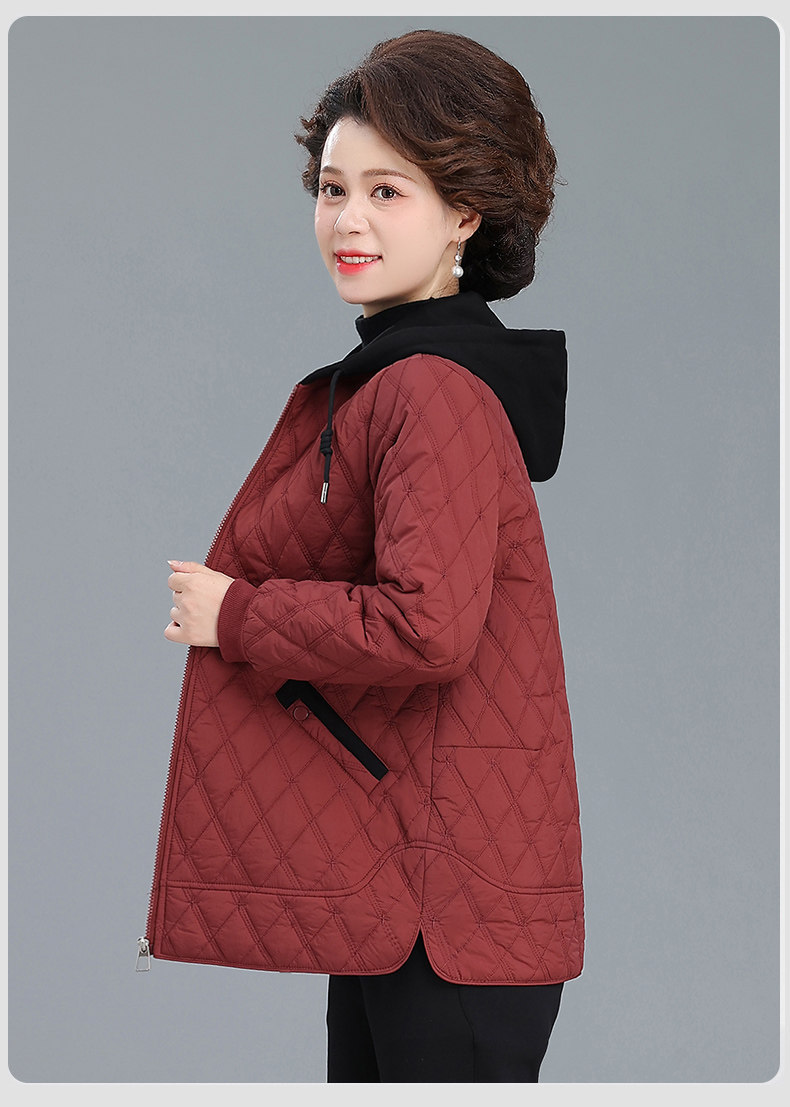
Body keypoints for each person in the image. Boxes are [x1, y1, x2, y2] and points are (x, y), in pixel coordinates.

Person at [142, 28, 584, 1083]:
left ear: (464, 214)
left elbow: (427, 627)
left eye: (388, 192)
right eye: (333, 189)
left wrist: (236, 614)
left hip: (445, 907)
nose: (347, 220)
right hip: (414, 890)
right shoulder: (409, 376)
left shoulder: (429, 388)